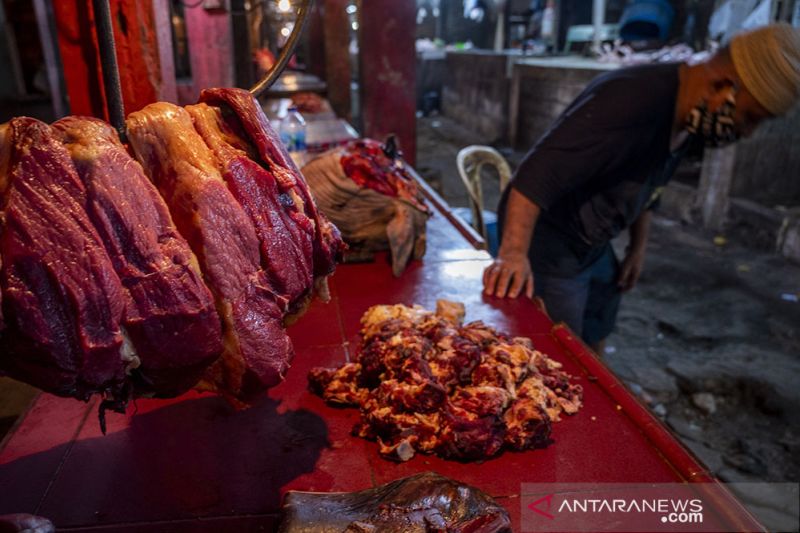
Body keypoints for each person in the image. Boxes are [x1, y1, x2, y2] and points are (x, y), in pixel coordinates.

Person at [483, 23, 800, 354]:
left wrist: (638, 247)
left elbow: (650, 184)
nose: (747, 132)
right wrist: (513, 255)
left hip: (595, 242)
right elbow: (533, 177)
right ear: (724, 86)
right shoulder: (632, 101)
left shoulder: (690, 117)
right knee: (557, 359)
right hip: (552, 244)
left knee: (595, 332)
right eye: (750, 117)